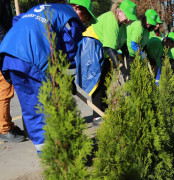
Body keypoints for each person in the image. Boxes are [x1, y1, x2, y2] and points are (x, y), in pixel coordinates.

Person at [0, 0, 96, 152]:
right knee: (49, 105)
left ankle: (45, 152)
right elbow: (68, 52)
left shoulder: (41, 8)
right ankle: (57, 152)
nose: (86, 21)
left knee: (31, 107)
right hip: (35, 57)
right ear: (77, 8)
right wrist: (68, 79)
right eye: (87, 16)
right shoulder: (70, 17)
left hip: (10, 54)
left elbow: (17, 20)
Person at [80, 0, 137, 124]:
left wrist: (127, 59)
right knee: (98, 82)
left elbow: (123, 46)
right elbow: (109, 48)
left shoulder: (122, 25)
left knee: (106, 80)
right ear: (119, 11)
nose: (129, 21)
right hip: (91, 45)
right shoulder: (112, 20)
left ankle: (103, 110)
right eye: (128, 17)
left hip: (103, 49)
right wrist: (122, 69)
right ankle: (97, 116)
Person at [0, 0, 25, 142]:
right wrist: (8, 47)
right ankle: (4, 129)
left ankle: (7, 124)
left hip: (5, 44)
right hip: (3, 47)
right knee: (5, 88)